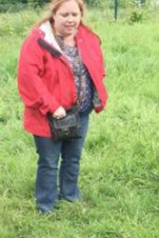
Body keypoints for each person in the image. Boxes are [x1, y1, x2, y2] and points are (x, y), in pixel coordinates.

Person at [17, 0, 108, 213]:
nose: (70, 20)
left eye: (75, 15)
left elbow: (98, 66)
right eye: (64, 14)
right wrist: (52, 105)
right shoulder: (38, 41)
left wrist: (95, 93)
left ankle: (70, 195)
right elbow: (29, 78)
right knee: (49, 161)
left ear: (81, 15)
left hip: (80, 112)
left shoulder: (87, 38)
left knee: (73, 157)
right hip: (47, 114)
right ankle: (46, 205)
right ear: (54, 15)